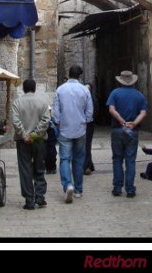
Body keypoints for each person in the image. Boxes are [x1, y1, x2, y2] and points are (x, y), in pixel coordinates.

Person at [52, 65, 93, 203]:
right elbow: (89, 112)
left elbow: (56, 112)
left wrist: (58, 122)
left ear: (68, 74)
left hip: (65, 129)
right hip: (80, 129)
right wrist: (85, 122)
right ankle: (78, 190)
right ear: (80, 76)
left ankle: (68, 184)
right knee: (79, 159)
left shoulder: (60, 89)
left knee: (64, 159)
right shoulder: (85, 90)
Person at [11, 78, 51, 210]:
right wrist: (35, 134)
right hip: (39, 141)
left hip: (23, 142)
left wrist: (25, 135)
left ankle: (29, 200)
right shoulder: (43, 102)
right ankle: (40, 196)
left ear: (23, 89)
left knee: (25, 169)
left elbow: (15, 121)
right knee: (40, 168)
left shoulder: (17, 102)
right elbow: (46, 120)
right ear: (35, 88)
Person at [106, 70, 148, 198]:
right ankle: (130, 189)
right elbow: (143, 113)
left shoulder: (115, 93)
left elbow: (111, 110)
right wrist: (133, 123)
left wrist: (122, 121)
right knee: (130, 160)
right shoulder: (139, 95)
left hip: (118, 130)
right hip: (132, 131)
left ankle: (117, 188)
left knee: (117, 159)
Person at [83, 83, 98, 175]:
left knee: (86, 145)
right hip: (88, 124)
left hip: (88, 124)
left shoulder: (92, 99)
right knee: (87, 145)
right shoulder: (92, 99)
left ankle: (87, 166)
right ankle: (89, 165)